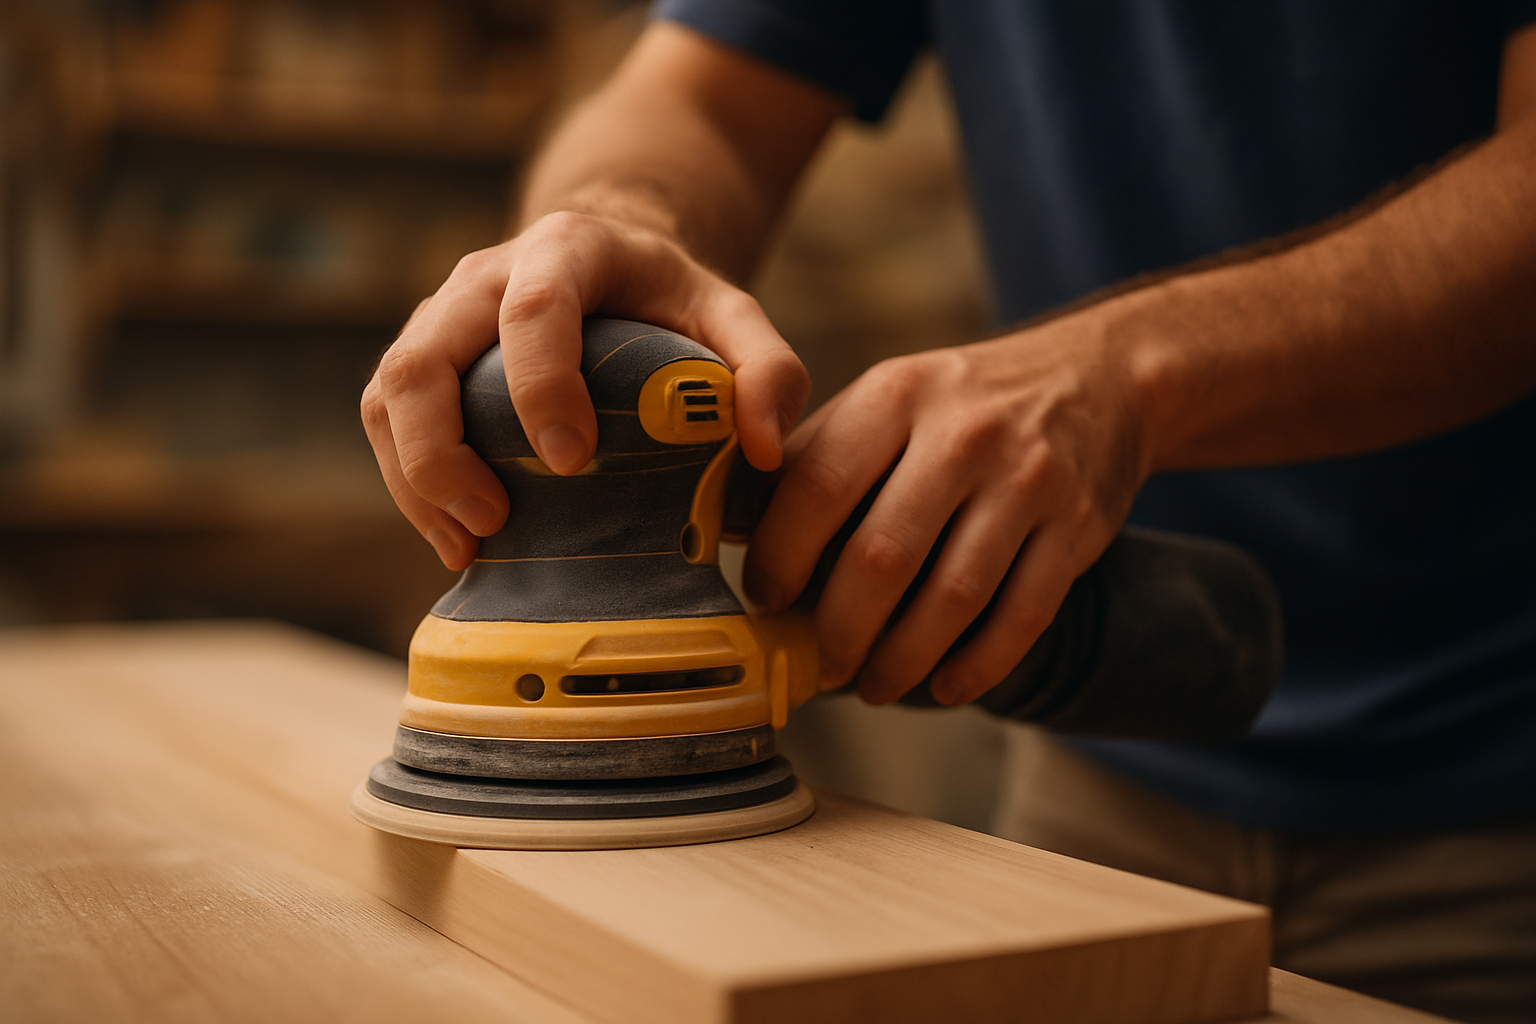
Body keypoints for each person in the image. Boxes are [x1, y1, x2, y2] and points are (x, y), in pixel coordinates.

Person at [361, 4, 1536, 1020]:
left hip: (1494, 785)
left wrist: (1124, 376)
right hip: (1102, 762)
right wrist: (610, 239)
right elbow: (696, 95)